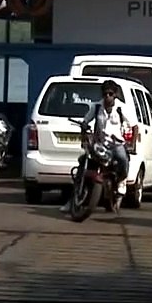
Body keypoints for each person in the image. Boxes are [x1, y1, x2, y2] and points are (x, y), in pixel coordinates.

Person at [62, 79, 133, 212]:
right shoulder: (96, 107)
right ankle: (72, 200)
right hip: (99, 144)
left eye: (110, 94)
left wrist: (131, 143)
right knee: (84, 163)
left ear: (115, 94)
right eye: (105, 94)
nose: (107, 97)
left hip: (116, 144)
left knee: (123, 159)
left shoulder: (121, 108)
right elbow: (85, 121)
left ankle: (121, 182)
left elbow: (134, 126)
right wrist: (84, 133)